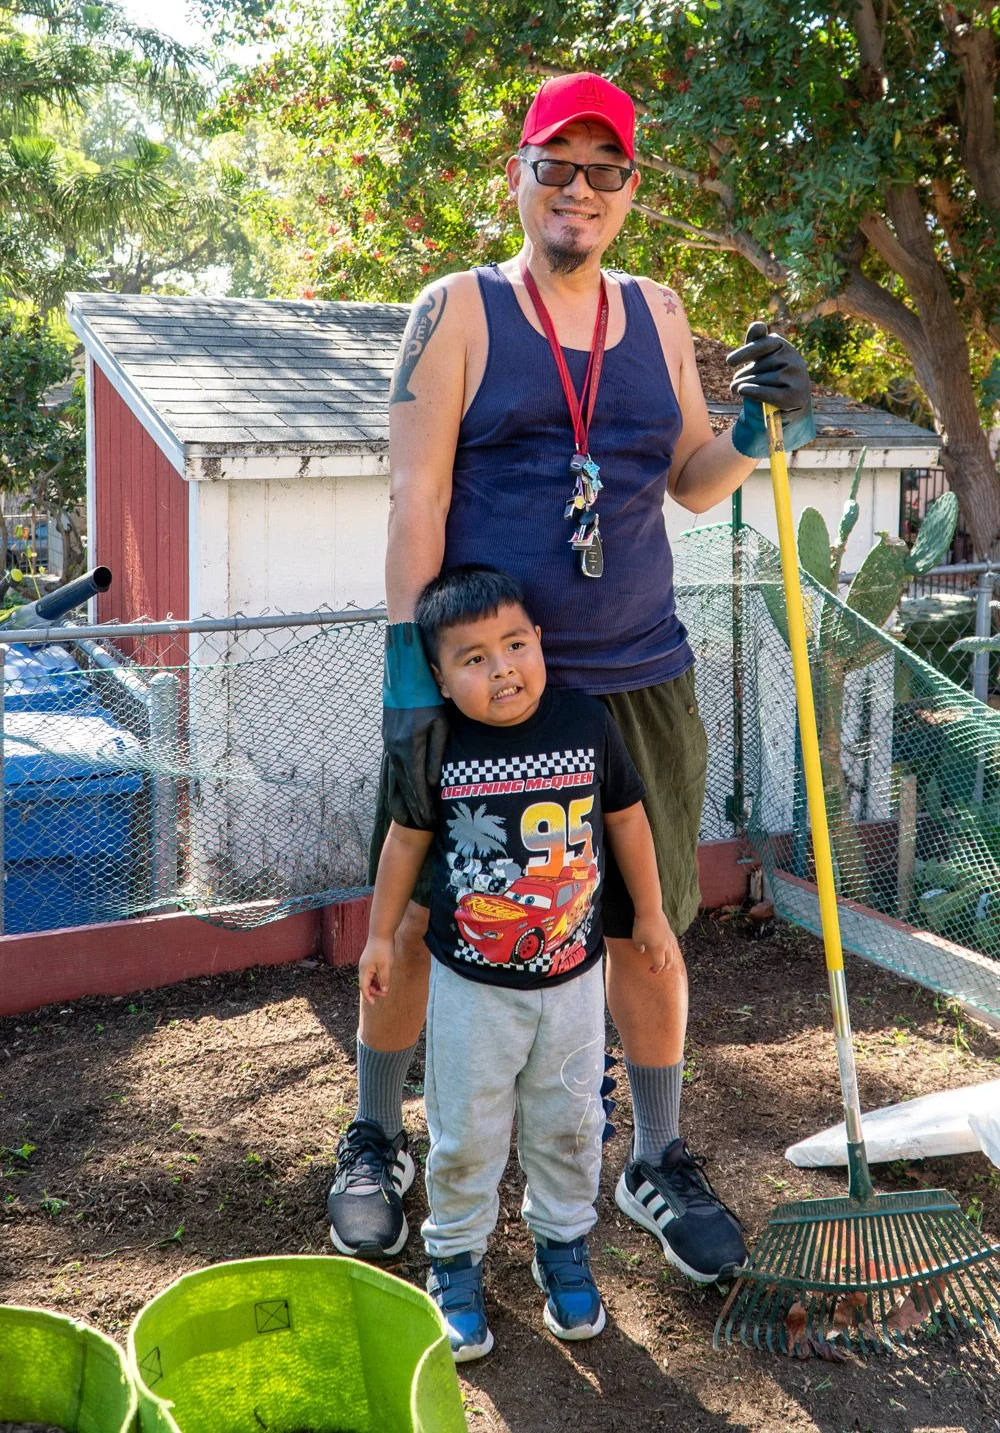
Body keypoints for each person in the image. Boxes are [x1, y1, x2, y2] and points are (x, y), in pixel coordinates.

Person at [328, 70, 814, 1283]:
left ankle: (655, 1157)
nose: (579, 191)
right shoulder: (460, 310)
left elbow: (691, 475)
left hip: (637, 678)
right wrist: (408, 682)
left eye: (605, 171)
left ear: (630, 190)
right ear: (520, 176)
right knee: (427, 913)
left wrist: (756, 434)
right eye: (557, 164)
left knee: (650, 927)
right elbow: (416, 495)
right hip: (487, 689)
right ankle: (377, 1136)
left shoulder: (657, 312)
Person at [359, 564, 674, 1361]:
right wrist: (376, 935)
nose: (502, 669)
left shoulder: (585, 718)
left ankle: (562, 1247)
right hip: (473, 989)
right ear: (439, 676)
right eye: (474, 658)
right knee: (465, 1132)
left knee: (573, 1125)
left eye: (516, 644)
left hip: (574, 983)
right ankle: (455, 1260)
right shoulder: (440, 746)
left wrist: (653, 914)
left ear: (541, 642)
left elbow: (629, 819)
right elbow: (405, 842)